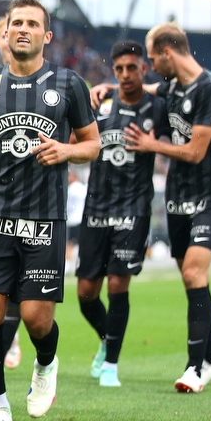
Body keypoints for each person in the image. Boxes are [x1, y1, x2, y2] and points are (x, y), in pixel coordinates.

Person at [0, 0, 99, 421]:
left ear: (47, 36)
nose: (23, 29)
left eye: (33, 24)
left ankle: (46, 363)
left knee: (35, 318)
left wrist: (67, 150)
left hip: (44, 220)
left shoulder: (67, 83)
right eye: (15, 23)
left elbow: (92, 144)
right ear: (4, 34)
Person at [122, 23, 211, 393]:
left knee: (193, 274)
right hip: (176, 199)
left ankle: (194, 369)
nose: (150, 65)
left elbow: (195, 152)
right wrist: (109, 88)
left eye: (152, 58)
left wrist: (152, 145)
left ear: (168, 53)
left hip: (209, 198)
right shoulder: (172, 87)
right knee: (192, 278)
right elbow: (152, 88)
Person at [76, 40, 168, 387]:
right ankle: (107, 339)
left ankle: (111, 363)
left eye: (133, 68)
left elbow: (189, 123)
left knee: (117, 283)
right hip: (96, 206)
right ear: (113, 72)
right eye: (120, 69)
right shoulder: (100, 102)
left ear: (145, 68)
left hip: (133, 207)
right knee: (86, 293)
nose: (126, 74)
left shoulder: (158, 108)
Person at [0, 15, 23, 370]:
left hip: (27, 202)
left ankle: (8, 342)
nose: (7, 39)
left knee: (13, 287)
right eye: (3, 33)